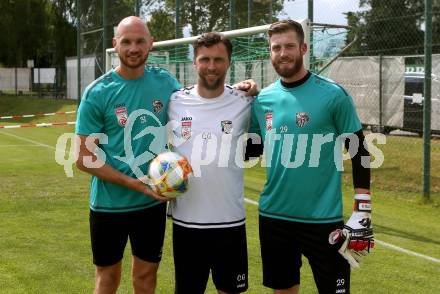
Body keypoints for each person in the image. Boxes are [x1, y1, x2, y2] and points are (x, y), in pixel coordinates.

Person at [75, 16, 257, 293]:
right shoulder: (97, 92)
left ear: (151, 44)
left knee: (145, 276)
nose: (133, 48)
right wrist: (134, 183)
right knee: (107, 277)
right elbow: (83, 158)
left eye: (139, 41)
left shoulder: (166, 85)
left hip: (152, 205)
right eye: (126, 42)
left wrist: (247, 88)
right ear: (115, 45)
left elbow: (202, 99)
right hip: (108, 205)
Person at [248, 20, 374, 294]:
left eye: (289, 46)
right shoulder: (262, 100)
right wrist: (233, 100)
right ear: (270, 52)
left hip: (323, 220)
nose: (283, 53)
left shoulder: (333, 94)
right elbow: (251, 149)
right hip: (275, 217)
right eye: (276, 48)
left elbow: (359, 150)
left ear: (303, 48)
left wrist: (362, 206)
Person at [167, 32, 253, 294]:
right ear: (194, 62)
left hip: (230, 221)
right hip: (186, 223)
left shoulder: (246, 101)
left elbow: (258, 145)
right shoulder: (174, 101)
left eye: (218, 59)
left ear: (229, 62)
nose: (211, 66)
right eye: (205, 59)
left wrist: (253, 87)